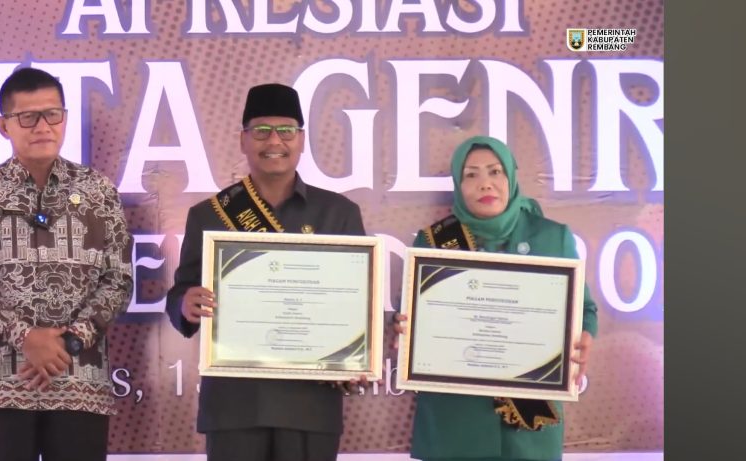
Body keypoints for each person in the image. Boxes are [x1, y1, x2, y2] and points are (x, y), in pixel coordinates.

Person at [0, 67, 134, 461]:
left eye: (52, 114)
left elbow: (118, 281)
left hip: (80, 382)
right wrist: (25, 338)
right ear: (4, 125)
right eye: (28, 117)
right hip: (0, 383)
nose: (43, 126)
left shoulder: (98, 191)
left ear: (64, 118)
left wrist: (68, 342)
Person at [165, 83, 367, 461]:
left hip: (311, 404)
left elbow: (357, 305)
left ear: (301, 139)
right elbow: (181, 293)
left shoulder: (339, 213)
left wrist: (359, 353)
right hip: (235, 404)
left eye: (286, 130)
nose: (274, 141)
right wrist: (185, 304)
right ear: (243, 140)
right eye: (261, 131)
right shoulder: (209, 215)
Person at [395, 135, 597, 461]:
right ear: (458, 185)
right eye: (471, 175)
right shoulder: (433, 242)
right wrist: (404, 328)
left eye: (495, 171)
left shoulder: (552, 237)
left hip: (527, 432)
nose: (485, 184)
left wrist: (585, 334)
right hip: (454, 424)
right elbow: (411, 316)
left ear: (511, 177)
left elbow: (585, 309)